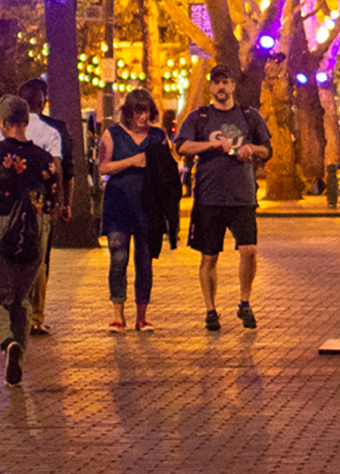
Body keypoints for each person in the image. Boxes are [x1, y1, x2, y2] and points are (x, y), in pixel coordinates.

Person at [177, 64, 272, 331]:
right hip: (209, 198)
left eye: (225, 82)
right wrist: (210, 144)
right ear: (211, 87)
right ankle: (210, 310)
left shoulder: (249, 116)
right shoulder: (199, 117)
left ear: (232, 86)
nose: (221, 87)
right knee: (209, 257)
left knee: (249, 251)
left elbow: (267, 149)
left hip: (242, 197)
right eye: (216, 82)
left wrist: (252, 148)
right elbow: (181, 146)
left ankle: (244, 303)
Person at [0, 95, 57, 384]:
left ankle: (8, 342)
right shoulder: (44, 158)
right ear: (27, 121)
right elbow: (52, 198)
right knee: (22, 298)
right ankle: (18, 358)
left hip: (0, 226)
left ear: (3, 122)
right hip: (35, 229)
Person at [99, 87, 172, 330]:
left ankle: (142, 316)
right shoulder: (112, 135)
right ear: (128, 112)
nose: (142, 118)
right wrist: (132, 161)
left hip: (148, 208)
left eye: (147, 112)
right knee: (118, 259)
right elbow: (102, 167)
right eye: (138, 112)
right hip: (118, 204)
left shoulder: (158, 136)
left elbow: (168, 169)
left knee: (144, 261)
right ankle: (118, 314)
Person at [18, 77, 74, 338]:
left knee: (13, 257)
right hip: (40, 203)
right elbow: (59, 169)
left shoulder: (7, 129)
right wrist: (60, 202)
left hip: (11, 203)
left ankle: (17, 312)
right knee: (40, 259)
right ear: (41, 103)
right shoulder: (53, 131)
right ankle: (36, 316)